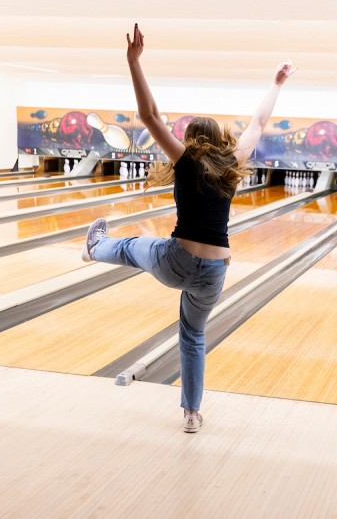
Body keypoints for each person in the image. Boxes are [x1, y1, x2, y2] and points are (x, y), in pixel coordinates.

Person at [82, 23, 296, 433]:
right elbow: (259, 123)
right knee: (192, 337)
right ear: (218, 139)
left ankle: (94, 248)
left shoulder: (184, 159)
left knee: (128, 247)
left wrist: (133, 62)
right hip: (215, 271)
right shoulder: (234, 161)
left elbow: (148, 115)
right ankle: (192, 414)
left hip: (175, 260)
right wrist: (276, 83)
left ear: (190, 139)